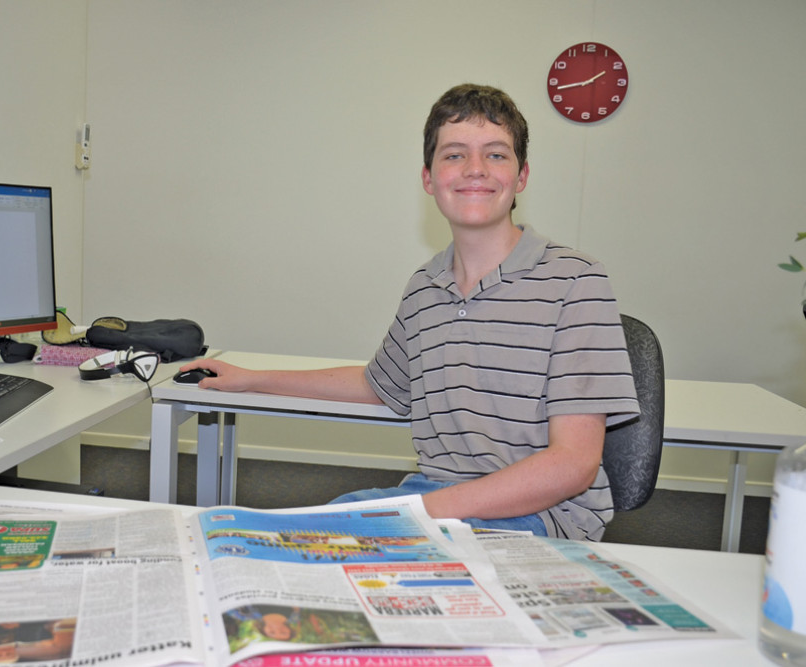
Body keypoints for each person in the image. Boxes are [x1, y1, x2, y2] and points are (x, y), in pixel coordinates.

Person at [182, 83, 639, 541]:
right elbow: (377, 384)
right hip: (436, 497)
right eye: (454, 155)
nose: (475, 169)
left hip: (541, 516)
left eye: (496, 155)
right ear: (428, 178)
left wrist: (420, 511)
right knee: (295, 532)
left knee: (341, 539)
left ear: (521, 177)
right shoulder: (425, 285)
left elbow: (573, 465)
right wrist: (252, 378)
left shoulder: (575, 279)